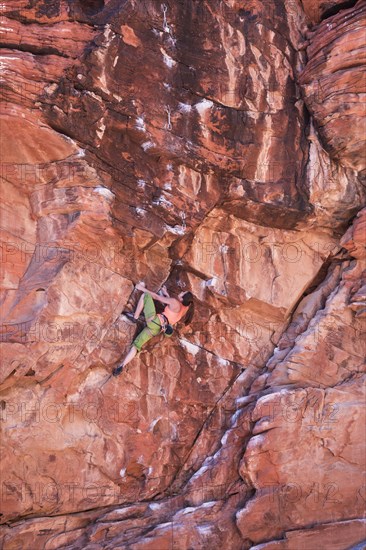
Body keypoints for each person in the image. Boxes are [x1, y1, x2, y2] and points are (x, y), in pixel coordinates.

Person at [113, 282, 194, 376]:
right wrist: (166, 293)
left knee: (145, 296)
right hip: (157, 329)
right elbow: (172, 307)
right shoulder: (185, 308)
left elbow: (157, 297)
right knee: (137, 345)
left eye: (183, 293)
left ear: (182, 298)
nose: (182, 291)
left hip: (154, 321)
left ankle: (135, 317)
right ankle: (121, 366)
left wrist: (141, 288)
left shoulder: (175, 302)